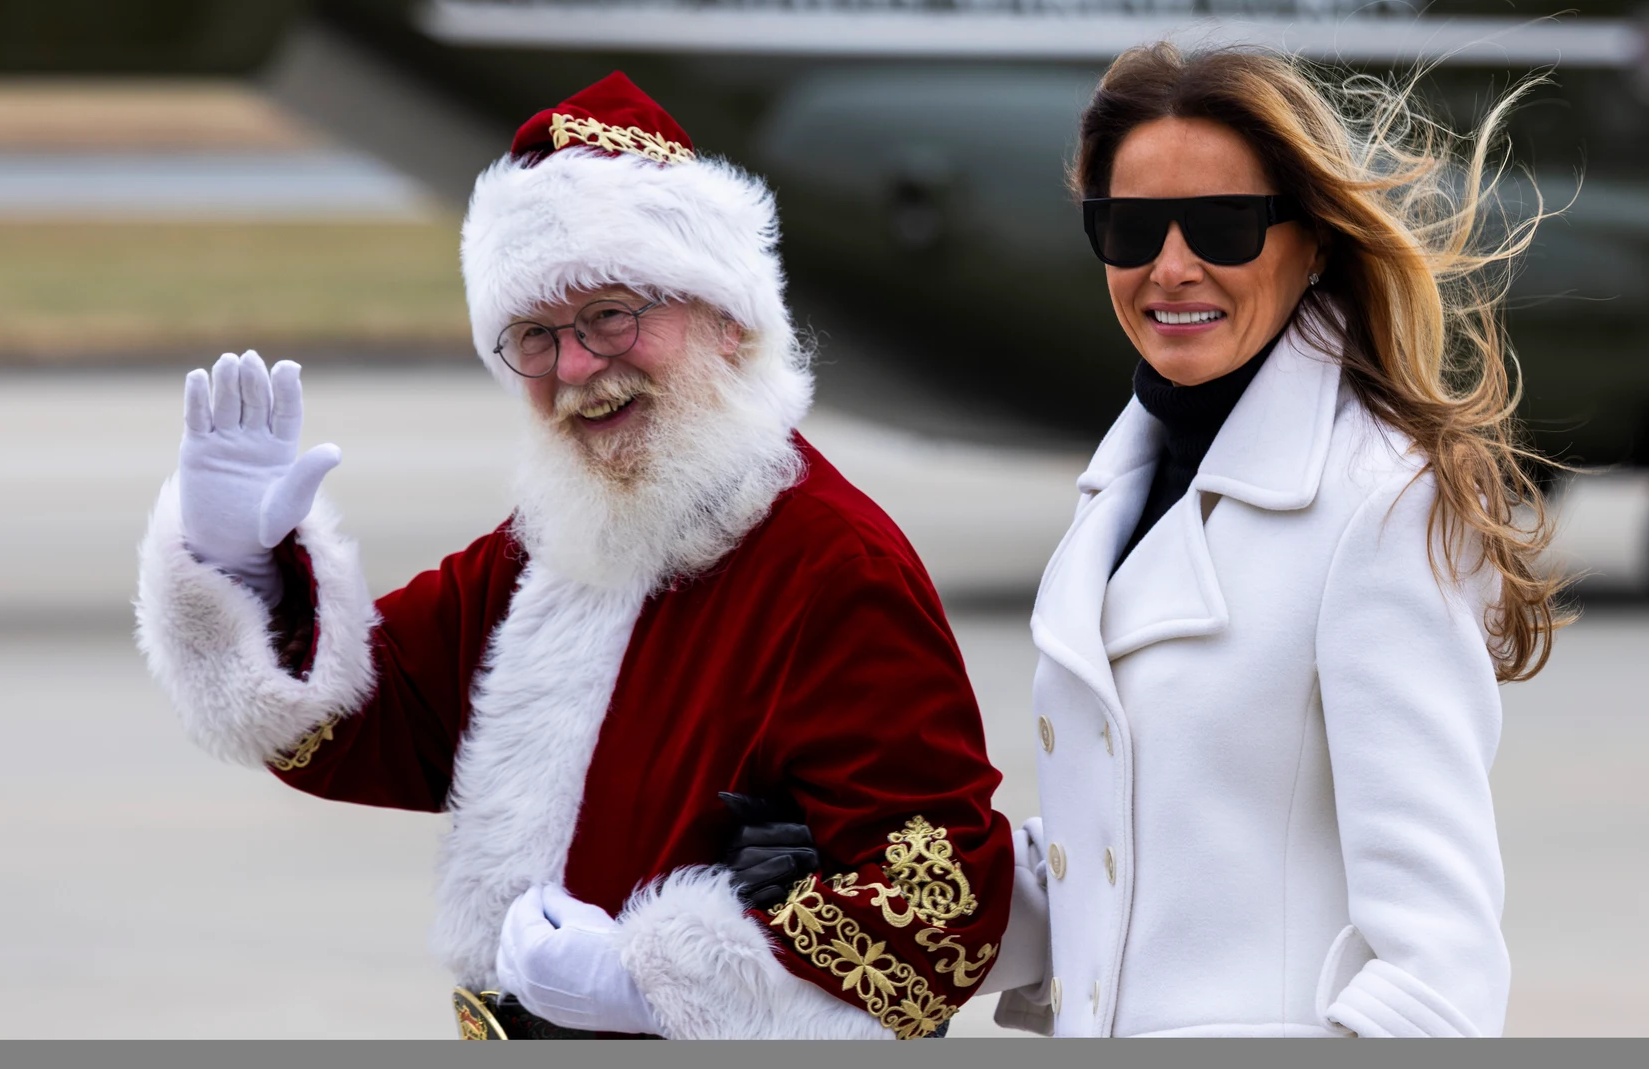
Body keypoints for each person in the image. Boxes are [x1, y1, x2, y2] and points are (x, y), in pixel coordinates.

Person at [134, 71, 1011, 1041]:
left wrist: (662, 985)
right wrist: (241, 566)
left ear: (730, 322)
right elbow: (365, 721)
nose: (577, 369)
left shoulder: (831, 565)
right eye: (536, 336)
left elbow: (942, 897)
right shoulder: (550, 547)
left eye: (611, 315)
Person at [984, 44, 1571, 1037]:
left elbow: (1440, 975)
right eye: (1128, 228)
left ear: (1313, 243)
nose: (1171, 265)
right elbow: (1130, 852)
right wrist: (879, 876)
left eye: (1223, 223)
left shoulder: (1379, 507)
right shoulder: (1128, 484)